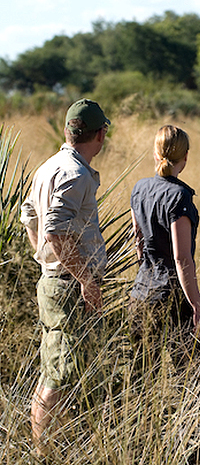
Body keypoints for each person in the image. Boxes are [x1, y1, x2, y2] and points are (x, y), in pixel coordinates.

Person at [20, 98, 110, 457]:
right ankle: (44, 454)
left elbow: (29, 216)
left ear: (67, 130)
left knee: (59, 368)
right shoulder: (74, 173)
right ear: (100, 134)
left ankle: (58, 448)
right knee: (59, 375)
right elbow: (55, 230)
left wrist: (43, 259)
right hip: (69, 286)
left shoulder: (50, 166)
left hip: (57, 281)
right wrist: (84, 279)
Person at [129, 125, 200, 380]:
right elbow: (181, 257)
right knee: (192, 379)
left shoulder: (139, 189)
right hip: (172, 298)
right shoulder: (180, 196)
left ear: (155, 153)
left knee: (141, 380)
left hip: (141, 292)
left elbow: (138, 242)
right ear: (185, 157)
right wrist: (196, 307)